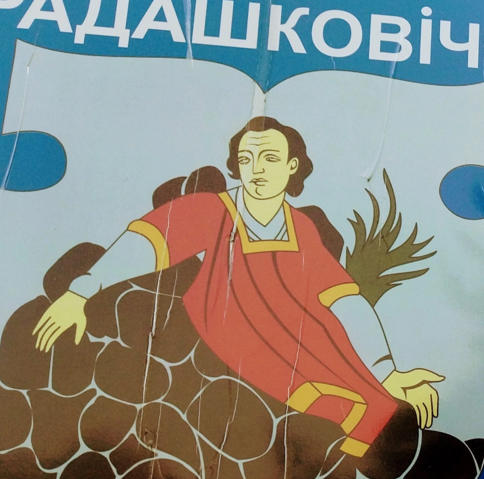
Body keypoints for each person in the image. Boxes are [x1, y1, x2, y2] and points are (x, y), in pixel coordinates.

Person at [31, 116, 441, 459]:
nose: (256, 169)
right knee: (341, 410)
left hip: (307, 331)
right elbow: (149, 241)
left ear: (293, 166)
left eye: (269, 158)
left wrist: (387, 370)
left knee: (379, 402)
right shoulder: (213, 210)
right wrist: (80, 292)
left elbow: (343, 298)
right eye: (246, 159)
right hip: (242, 332)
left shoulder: (301, 227)